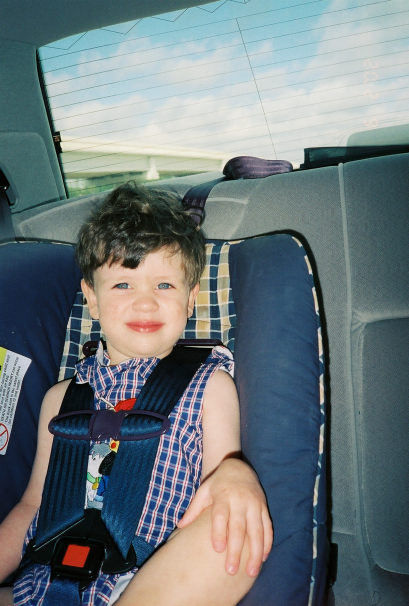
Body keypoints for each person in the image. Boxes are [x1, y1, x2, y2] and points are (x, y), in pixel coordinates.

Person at [0, 184, 273, 606]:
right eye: (123, 285)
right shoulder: (60, 400)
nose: (145, 304)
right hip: (43, 583)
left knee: (228, 529)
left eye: (164, 285)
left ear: (190, 300)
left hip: (151, 579)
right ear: (92, 299)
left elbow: (220, 473)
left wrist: (236, 476)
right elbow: (32, 506)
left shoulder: (209, 386)